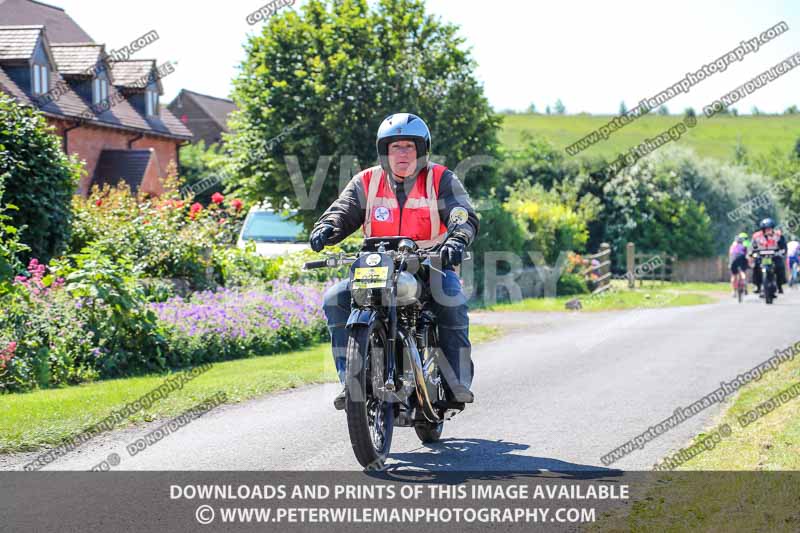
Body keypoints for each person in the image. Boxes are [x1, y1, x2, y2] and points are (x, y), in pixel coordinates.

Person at [309, 113, 479, 410]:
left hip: (430, 263)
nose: (402, 154)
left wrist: (456, 239)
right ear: (384, 152)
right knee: (335, 298)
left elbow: (461, 214)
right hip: (375, 265)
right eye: (395, 147)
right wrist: (327, 228)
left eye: (409, 147)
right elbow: (343, 210)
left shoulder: (441, 178)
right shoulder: (366, 180)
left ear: (422, 150)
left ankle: (456, 382)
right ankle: (349, 382)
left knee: (451, 301)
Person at [750, 218, 787, 295]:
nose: (768, 230)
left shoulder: (778, 235)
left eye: (769, 228)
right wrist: (752, 253)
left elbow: (783, 246)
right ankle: (757, 286)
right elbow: (752, 247)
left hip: (774, 256)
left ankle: (779, 285)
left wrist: (782, 252)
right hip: (761, 257)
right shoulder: (756, 236)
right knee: (755, 267)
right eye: (766, 229)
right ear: (762, 229)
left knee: (780, 267)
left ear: (772, 228)